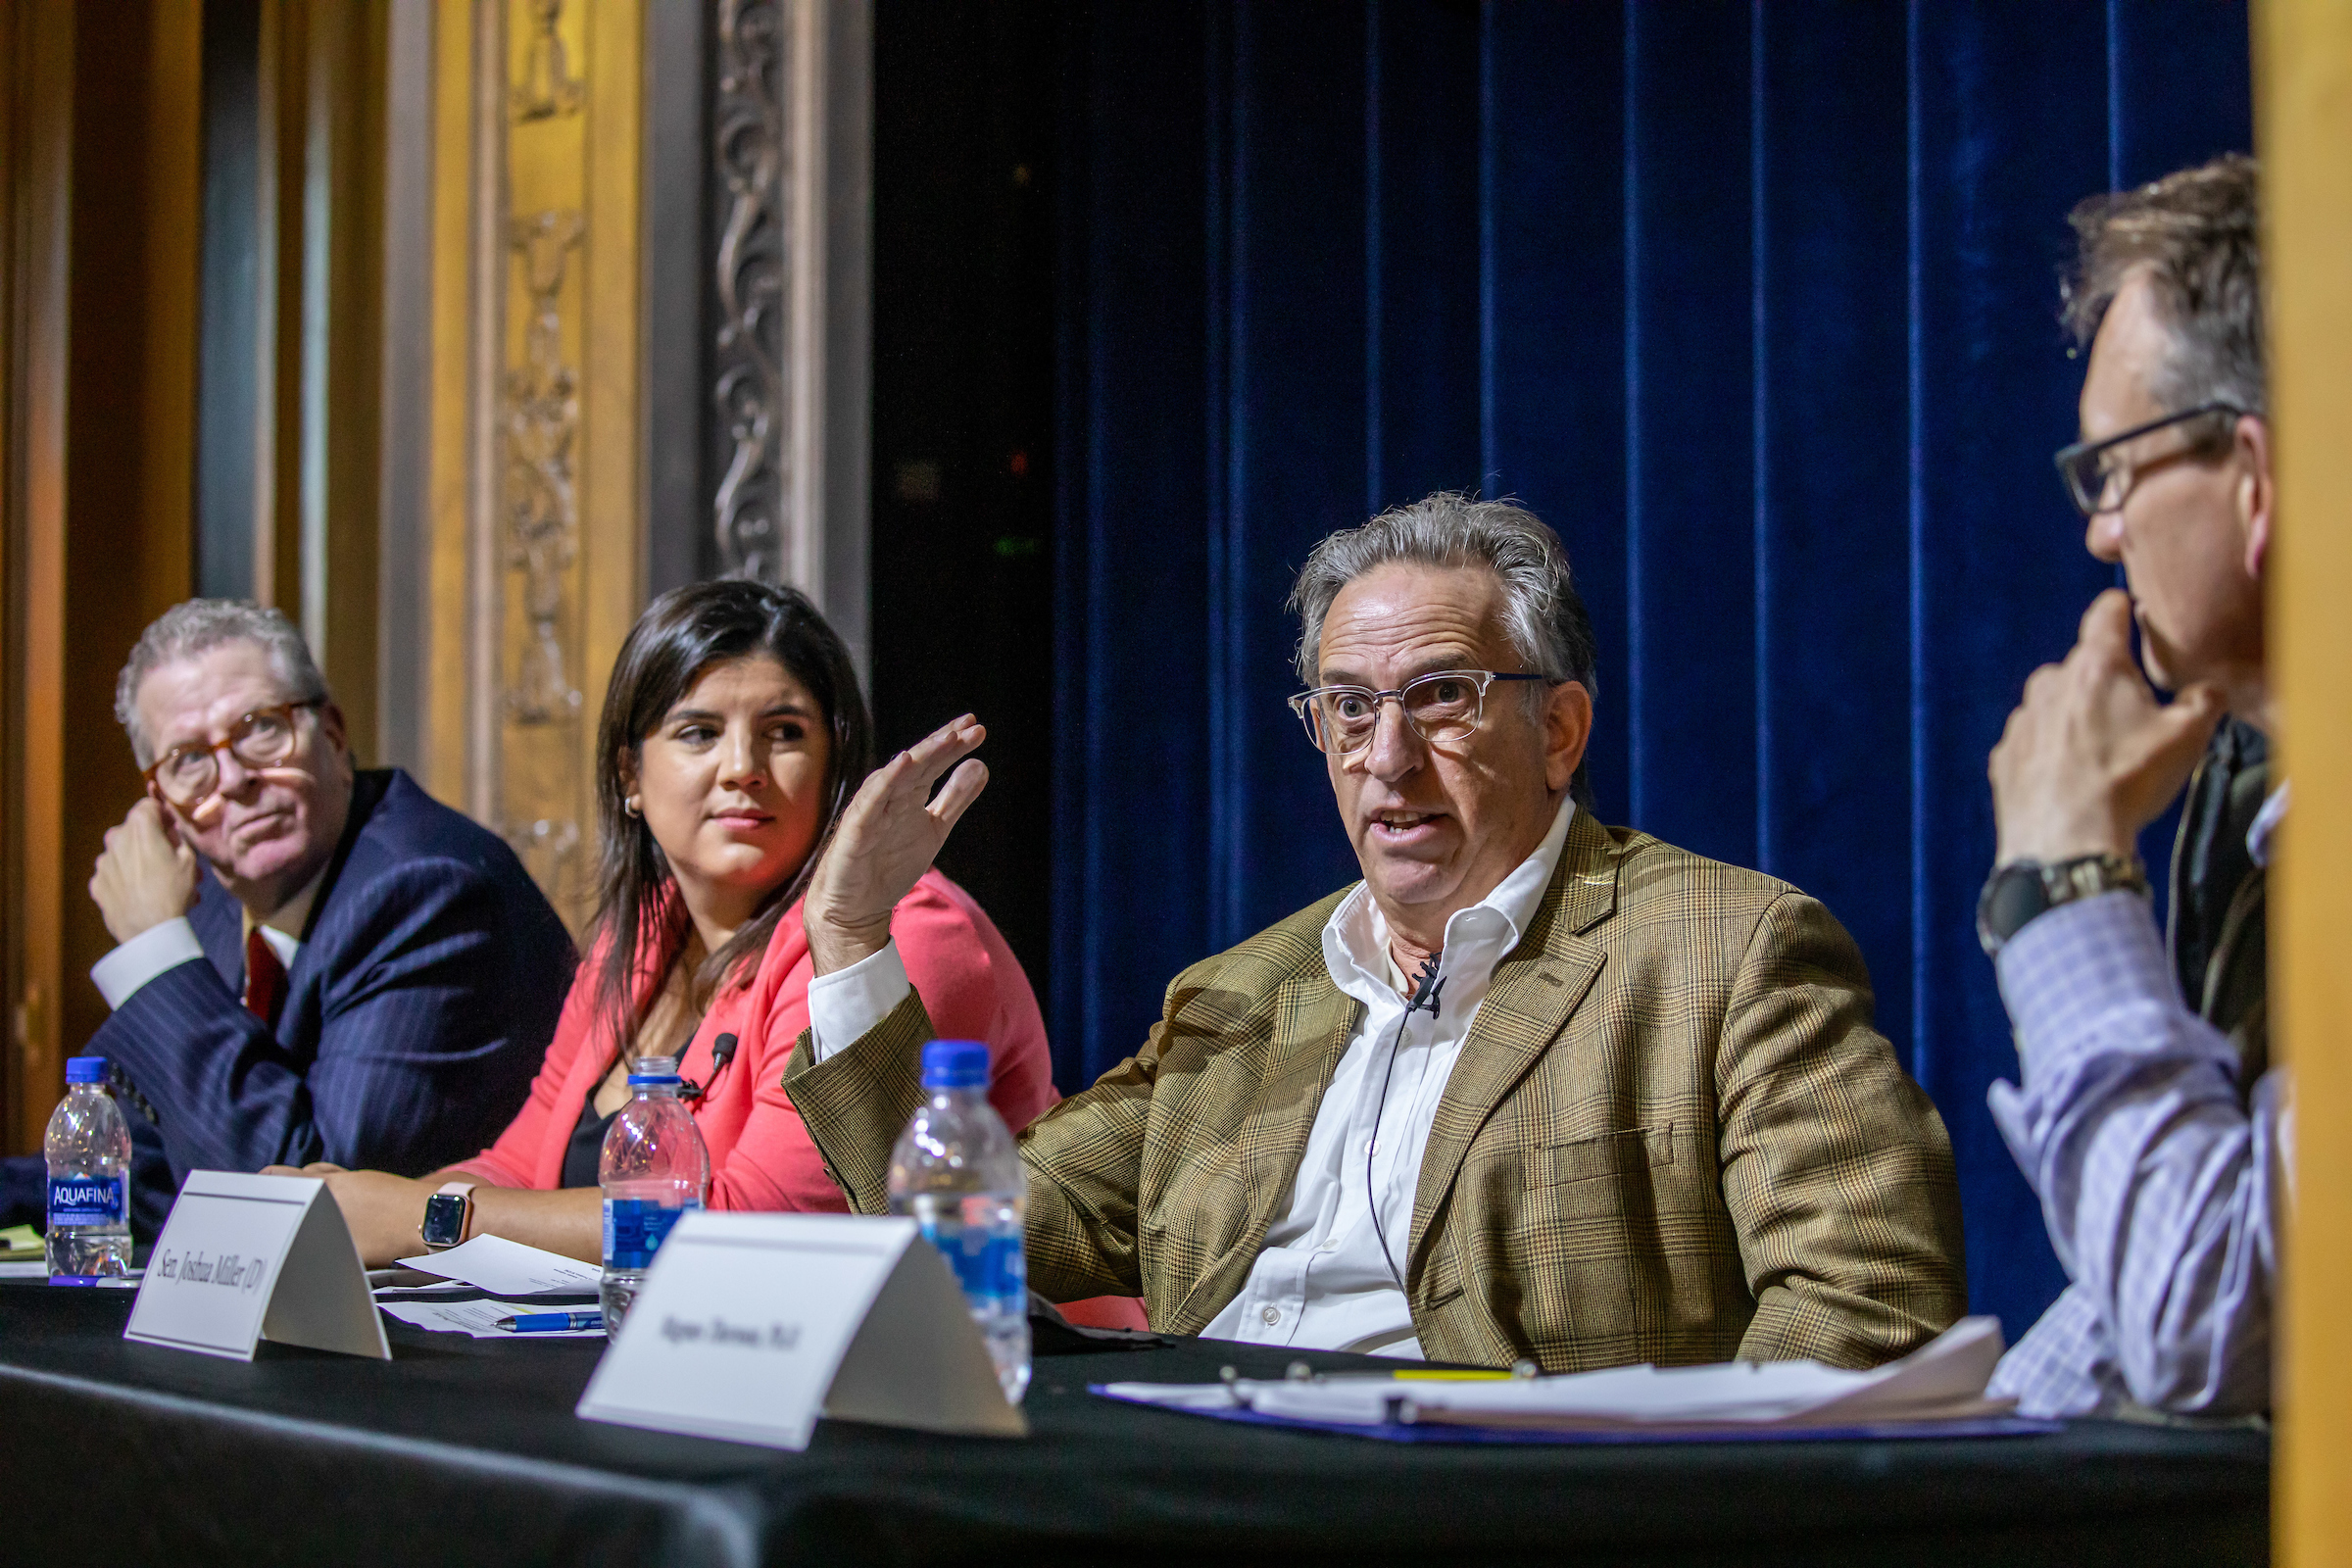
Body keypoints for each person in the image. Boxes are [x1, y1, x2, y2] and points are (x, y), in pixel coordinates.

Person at [783, 493, 1966, 1371]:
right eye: (1349, 708)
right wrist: (845, 932)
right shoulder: (1242, 992)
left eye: (1442, 696)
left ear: (1559, 730)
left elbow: (1864, 1307)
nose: (1386, 757)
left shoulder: (1729, 950)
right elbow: (965, 1236)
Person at [294, 579, 1057, 1265]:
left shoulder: (896, 933)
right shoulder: (643, 934)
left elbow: (757, 1232)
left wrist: (422, 1216)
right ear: (630, 775)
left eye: (785, 732)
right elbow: (520, 1170)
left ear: (834, 766)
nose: (742, 767)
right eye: (698, 732)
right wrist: (346, 1213)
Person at [1978, 155, 2280, 1419]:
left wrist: (2063, 886)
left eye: (2117, 468)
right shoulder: (2245, 802)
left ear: (2254, 475)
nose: (2101, 530)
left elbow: (2207, 1323)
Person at [0, 602, 574, 1235]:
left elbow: (304, 1207)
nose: (236, 777)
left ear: (331, 732)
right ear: (161, 803)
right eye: (189, 759)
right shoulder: (221, 901)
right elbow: (153, 1164)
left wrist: (154, 949)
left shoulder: (429, 889)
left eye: (260, 729)